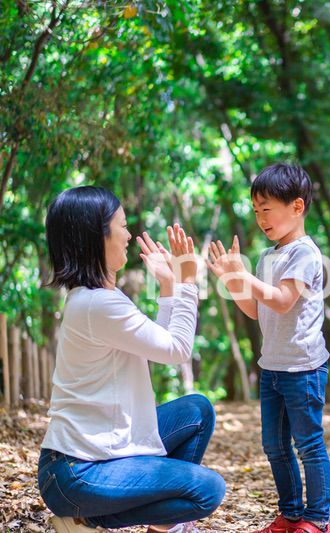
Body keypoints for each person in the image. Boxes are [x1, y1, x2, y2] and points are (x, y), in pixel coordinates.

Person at [37, 186, 226, 533]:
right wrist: (187, 282)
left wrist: (169, 285)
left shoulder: (100, 298)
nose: (129, 235)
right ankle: (83, 518)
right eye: (122, 225)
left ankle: (164, 526)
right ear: (98, 234)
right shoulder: (98, 305)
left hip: (93, 458)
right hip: (77, 473)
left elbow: (161, 347)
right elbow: (179, 351)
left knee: (197, 411)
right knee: (207, 489)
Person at [206, 163, 330, 533]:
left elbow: (281, 300)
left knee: (308, 444)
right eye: (256, 210)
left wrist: (243, 275)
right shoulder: (266, 257)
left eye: (268, 209)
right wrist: (233, 280)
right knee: (275, 447)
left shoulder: (305, 254)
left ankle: (318, 519)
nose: (261, 218)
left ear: (297, 207)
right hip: (273, 365)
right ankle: (291, 513)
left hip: (304, 367)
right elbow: (256, 308)